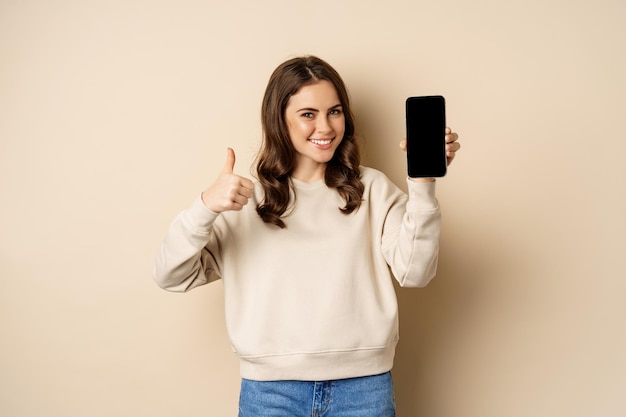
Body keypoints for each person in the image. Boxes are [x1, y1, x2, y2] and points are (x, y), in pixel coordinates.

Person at [153, 55, 460, 416]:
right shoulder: (244, 200)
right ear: (279, 120)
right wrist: (204, 207)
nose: (326, 127)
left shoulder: (373, 189)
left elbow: (416, 272)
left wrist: (423, 184)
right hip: (270, 393)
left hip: (364, 389)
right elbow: (170, 275)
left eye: (334, 111)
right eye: (308, 114)